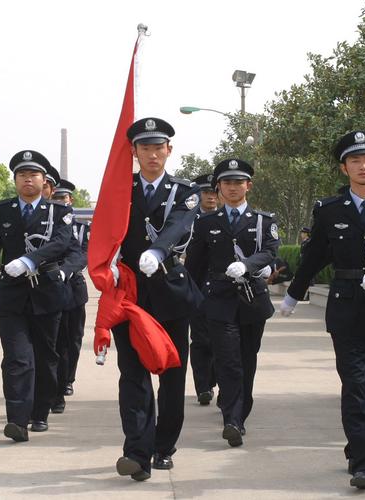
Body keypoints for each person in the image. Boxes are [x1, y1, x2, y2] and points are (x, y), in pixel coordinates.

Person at [279, 131, 365, 490]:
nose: (363, 166)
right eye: (355, 160)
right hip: (346, 305)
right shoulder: (329, 210)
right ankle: (364, 464)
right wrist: (294, 293)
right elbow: (315, 256)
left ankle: (359, 443)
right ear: (344, 168)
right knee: (355, 384)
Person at [110, 117, 201, 481]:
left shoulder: (184, 191)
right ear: (133, 152)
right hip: (130, 292)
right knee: (132, 374)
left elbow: (180, 223)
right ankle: (136, 450)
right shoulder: (119, 188)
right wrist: (107, 264)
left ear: (169, 150)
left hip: (170, 292)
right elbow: (105, 229)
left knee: (172, 374)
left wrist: (160, 251)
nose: (151, 154)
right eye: (144, 147)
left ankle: (163, 446)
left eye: (157, 147)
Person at [0, 150, 73, 442]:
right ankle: (17, 420)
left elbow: (60, 243)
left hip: (46, 291)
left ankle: (40, 413)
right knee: (17, 357)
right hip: (12, 294)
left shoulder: (59, 212)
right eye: (22, 175)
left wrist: (31, 261)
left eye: (33, 175)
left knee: (45, 356)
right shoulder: (1, 210)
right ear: (15, 180)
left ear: (44, 181)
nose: (27, 180)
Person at [185, 159, 279, 447]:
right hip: (220, 300)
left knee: (247, 361)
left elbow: (271, 251)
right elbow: (195, 265)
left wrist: (249, 265)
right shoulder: (206, 222)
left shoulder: (264, 220)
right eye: (227, 182)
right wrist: (191, 298)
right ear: (218, 187)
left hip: (252, 299)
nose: (233, 187)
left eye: (239, 182)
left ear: (248, 185)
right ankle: (232, 420)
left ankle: (240, 413)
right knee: (228, 361)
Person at [50, 178, 90, 412]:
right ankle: (55, 383)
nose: (60, 202)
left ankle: (67, 380)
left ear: (70, 201)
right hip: (52, 286)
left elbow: (85, 254)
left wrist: (66, 270)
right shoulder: (47, 224)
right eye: (56, 198)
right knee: (56, 340)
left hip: (73, 286)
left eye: (63, 198)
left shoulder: (83, 227)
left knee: (73, 339)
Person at [186, 173, 219, 406]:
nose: (209, 196)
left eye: (212, 192)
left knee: (222, 340)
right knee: (199, 340)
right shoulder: (185, 220)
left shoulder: (226, 218)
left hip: (222, 289)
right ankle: (203, 386)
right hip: (195, 286)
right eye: (205, 192)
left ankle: (218, 380)